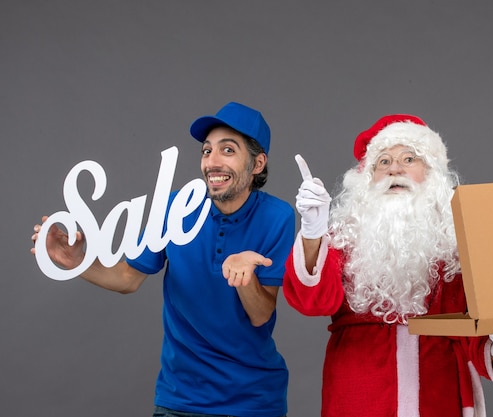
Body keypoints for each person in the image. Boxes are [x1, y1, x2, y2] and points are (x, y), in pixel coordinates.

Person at [31, 102, 295, 417]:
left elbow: (261, 314)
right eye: (206, 151)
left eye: (227, 150)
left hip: (253, 401)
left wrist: (245, 276)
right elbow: (128, 279)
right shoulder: (176, 207)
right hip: (180, 399)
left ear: (257, 163)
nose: (212, 162)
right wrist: (77, 261)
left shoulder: (277, 217)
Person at [283, 114, 493, 417]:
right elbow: (310, 301)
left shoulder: (455, 246)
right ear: (367, 178)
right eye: (382, 162)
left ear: (432, 173)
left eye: (409, 158)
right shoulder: (344, 240)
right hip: (358, 396)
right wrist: (312, 233)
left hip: (440, 398)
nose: (394, 168)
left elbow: (473, 334)